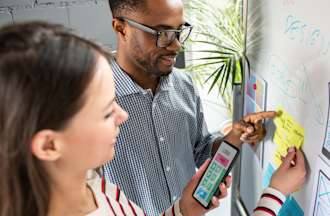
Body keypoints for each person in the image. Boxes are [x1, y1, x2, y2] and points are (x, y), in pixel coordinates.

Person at [0, 21, 306, 216]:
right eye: (107, 111)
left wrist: (184, 209)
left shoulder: (96, 189)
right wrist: (275, 194)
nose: (122, 115)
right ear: (50, 145)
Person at [104, 0, 277, 214]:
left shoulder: (184, 85)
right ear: (121, 28)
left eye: (179, 31)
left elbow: (201, 148)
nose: (177, 46)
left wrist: (236, 135)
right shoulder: (91, 104)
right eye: (162, 34)